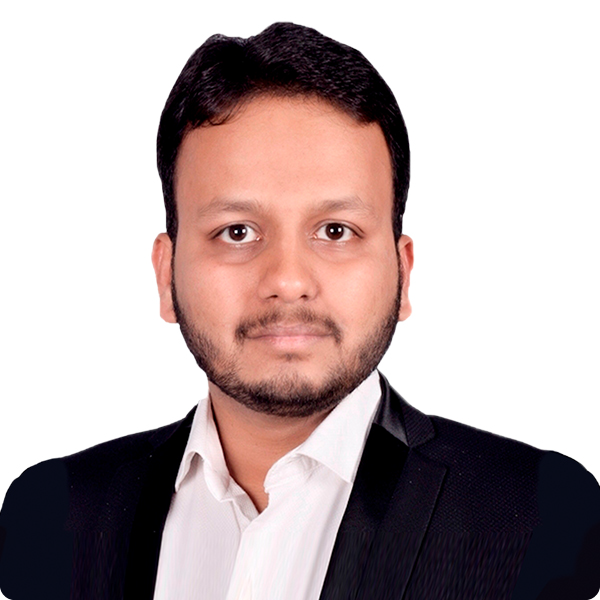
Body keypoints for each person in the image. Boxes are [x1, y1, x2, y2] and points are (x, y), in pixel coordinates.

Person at [0, 21, 599, 600]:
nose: (288, 281)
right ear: (166, 273)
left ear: (403, 272)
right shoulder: (47, 517)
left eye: (336, 230)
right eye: (237, 232)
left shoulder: (546, 522)